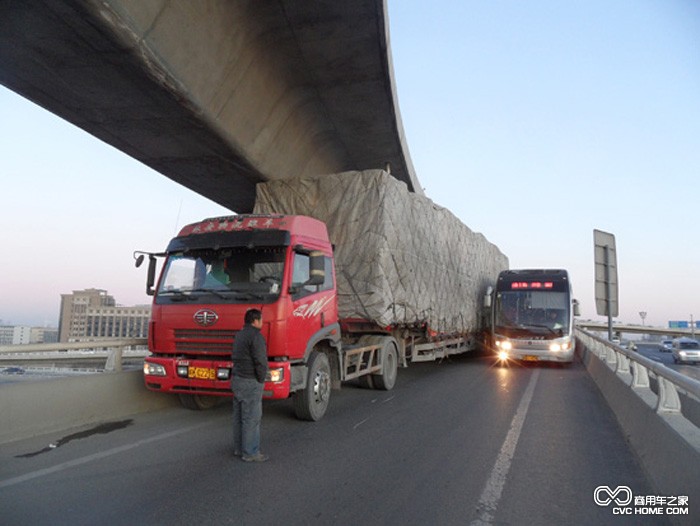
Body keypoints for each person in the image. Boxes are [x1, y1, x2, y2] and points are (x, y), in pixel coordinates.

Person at [231, 308, 269, 462]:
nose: (261, 322)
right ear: (256, 321)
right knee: (252, 418)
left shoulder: (239, 335)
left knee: (239, 417)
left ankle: (239, 449)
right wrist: (261, 379)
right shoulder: (256, 337)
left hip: (237, 379)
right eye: (261, 320)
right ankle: (251, 453)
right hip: (250, 380)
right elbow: (261, 361)